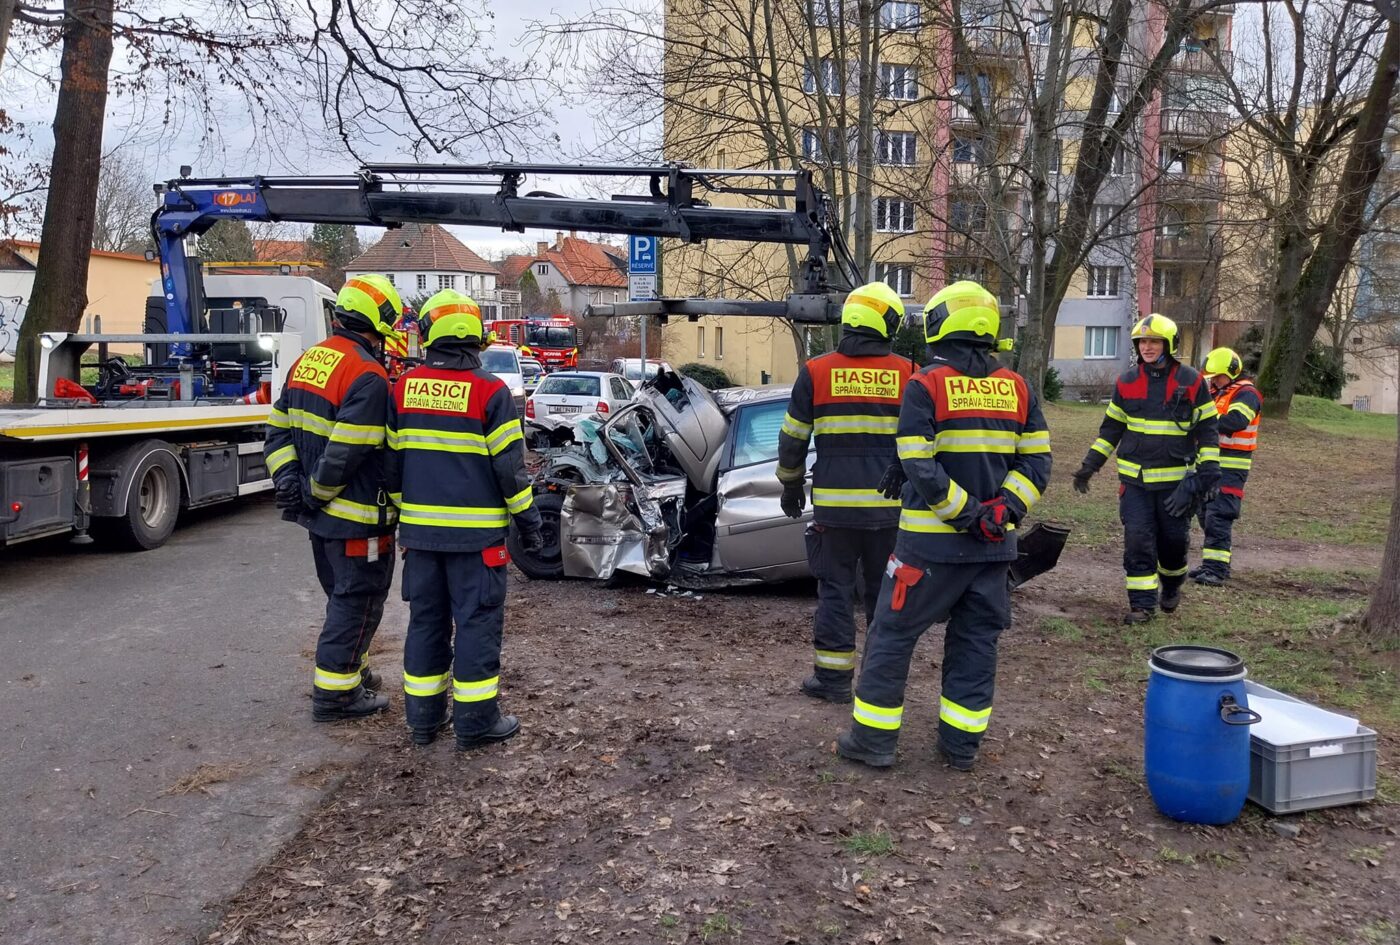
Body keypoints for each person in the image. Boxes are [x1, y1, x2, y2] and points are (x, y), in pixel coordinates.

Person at [836, 280, 1051, 771]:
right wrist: (1003, 511)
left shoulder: (926, 384)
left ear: (940, 325)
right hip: (994, 550)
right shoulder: (1018, 387)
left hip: (928, 550)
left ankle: (873, 740)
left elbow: (920, 461)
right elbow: (1037, 462)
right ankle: (960, 747)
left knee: (891, 636)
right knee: (976, 644)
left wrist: (965, 514)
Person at [384, 289, 545, 749]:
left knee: (426, 624)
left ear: (429, 334)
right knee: (475, 625)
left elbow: (391, 464)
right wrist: (530, 523)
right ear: (477, 337)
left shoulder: (404, 388)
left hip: (420, 540)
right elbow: (510, 470)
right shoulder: (491, 392)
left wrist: (406, 515)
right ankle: (475, 724)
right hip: (477, 543)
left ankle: (423, 721)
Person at [263, 274, 402, 722]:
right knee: (358, 599)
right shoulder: (368, 375)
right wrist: (312, 493)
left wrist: (289, 481)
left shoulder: (308, 361)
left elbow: (277, 430)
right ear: (379, 323)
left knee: (342, 597)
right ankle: (337, 694)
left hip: (319, 520)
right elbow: (345, 451)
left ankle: (352, 670)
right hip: (355, 519)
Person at [776, 281, 913, 703]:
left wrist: (790, 484)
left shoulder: (817, 371)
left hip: (834, 511)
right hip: (890, 512)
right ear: (887, 324)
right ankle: (878, 683)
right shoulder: (909, 372)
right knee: (883, 597)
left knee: (835, 592)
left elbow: (793, 438)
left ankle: (833, 681)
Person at [1071, 314, 1220, 624]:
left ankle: (1172, 584)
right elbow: (1111, 429)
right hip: (1135, 484)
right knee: (1138, 541)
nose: (1147, 347)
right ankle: (1142, 605)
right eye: (1142, 342)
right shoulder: (1126, 381)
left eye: (1154, 341)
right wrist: (1089, 466)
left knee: (1173, 545)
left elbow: (1207, 430)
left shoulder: (1192, 381)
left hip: (1176, 486)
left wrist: (1206, 475)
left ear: (1169, 345)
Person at [1190, 347, 1262, 586]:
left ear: (1231, 372)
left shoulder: (1247, 394)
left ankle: (1217, 570)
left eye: (1218, 377)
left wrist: (1203, 422)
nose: (1214, 381)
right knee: (1205, 513)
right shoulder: (1217, 392)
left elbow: (1235, 421)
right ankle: (1213, 564)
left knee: (1218, 515)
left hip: (1231, 467)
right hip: (1209, 465)